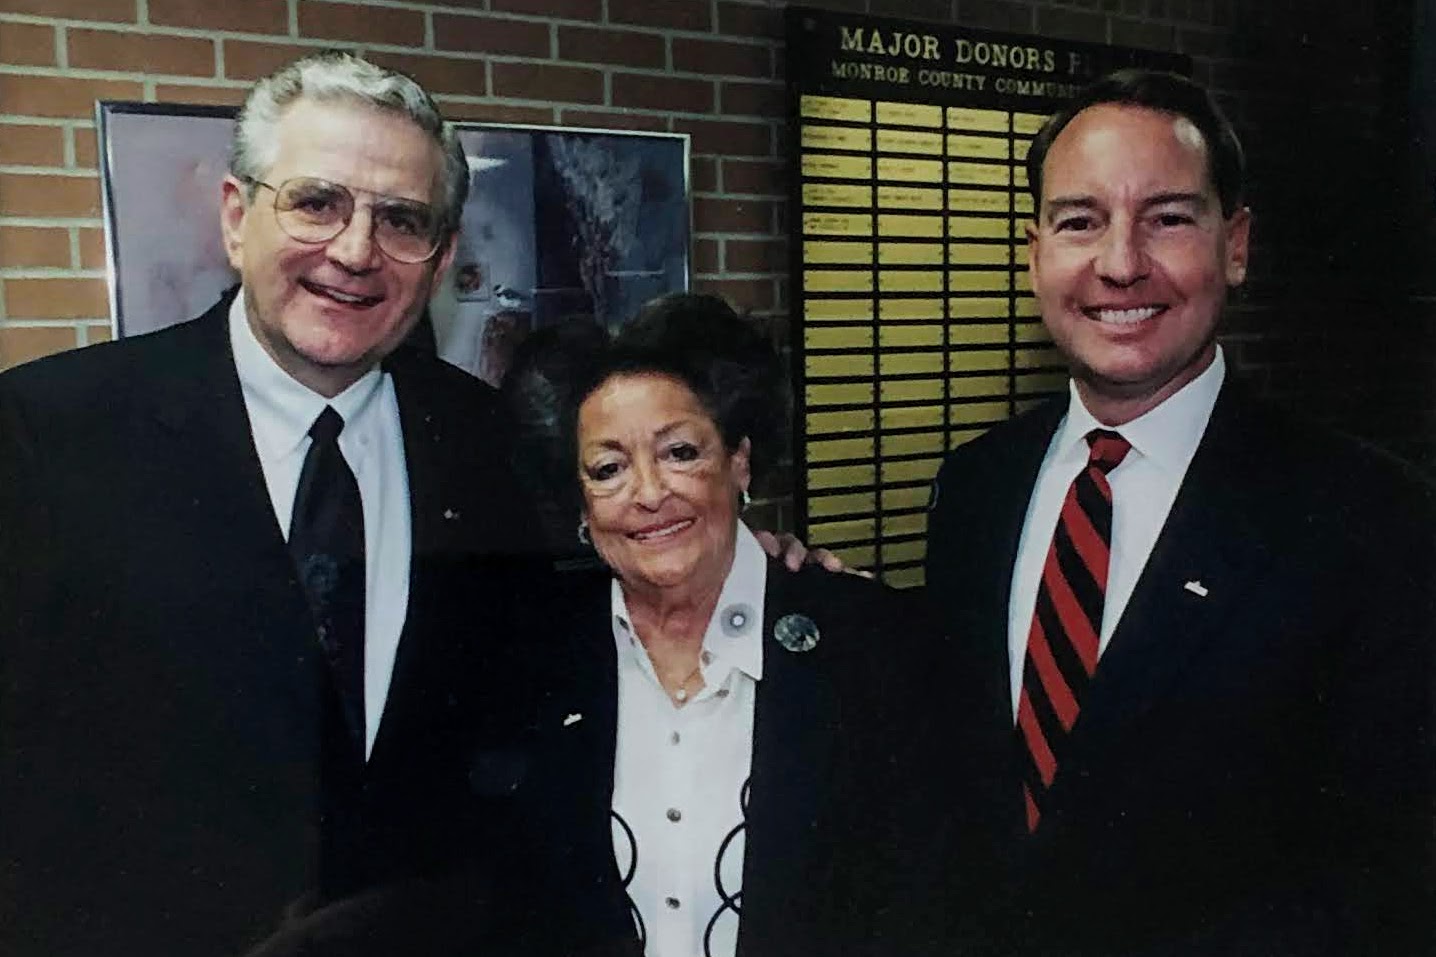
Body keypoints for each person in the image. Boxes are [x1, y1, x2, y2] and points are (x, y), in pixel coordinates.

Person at [0, 52, 538, 955]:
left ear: (441, 257)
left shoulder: (492, 442)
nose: (357, 251)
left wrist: (760, 578)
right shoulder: (48, 434)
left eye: (401, 219)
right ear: (237, 215)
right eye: (317, 202)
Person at [923, 69, 1436, 956]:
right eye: (1080, 219)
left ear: (1235, 245)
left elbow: (1392, 879)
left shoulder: (1373, 521)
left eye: (1168, 217)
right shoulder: (973, 488)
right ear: (1034, 252)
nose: (1121, 263)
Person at [492, 293, 933, 957]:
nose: (647, 491)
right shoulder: (538, 665)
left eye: (679, 452)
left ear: (740, 461)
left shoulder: (874, 645)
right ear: (580, 506)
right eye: (608, 468)